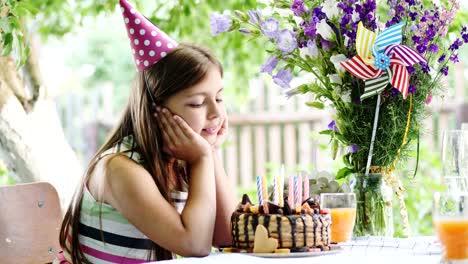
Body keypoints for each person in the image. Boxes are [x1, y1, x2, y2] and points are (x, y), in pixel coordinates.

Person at [57, 0, 236, 262]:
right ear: (156, 109)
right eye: (197, 102)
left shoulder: (179, 160)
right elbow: (194, 245)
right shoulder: (120, 169)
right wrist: (202, 159)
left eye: (219, 98)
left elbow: (228, 237)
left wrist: (209, 152)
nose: (216, 113)